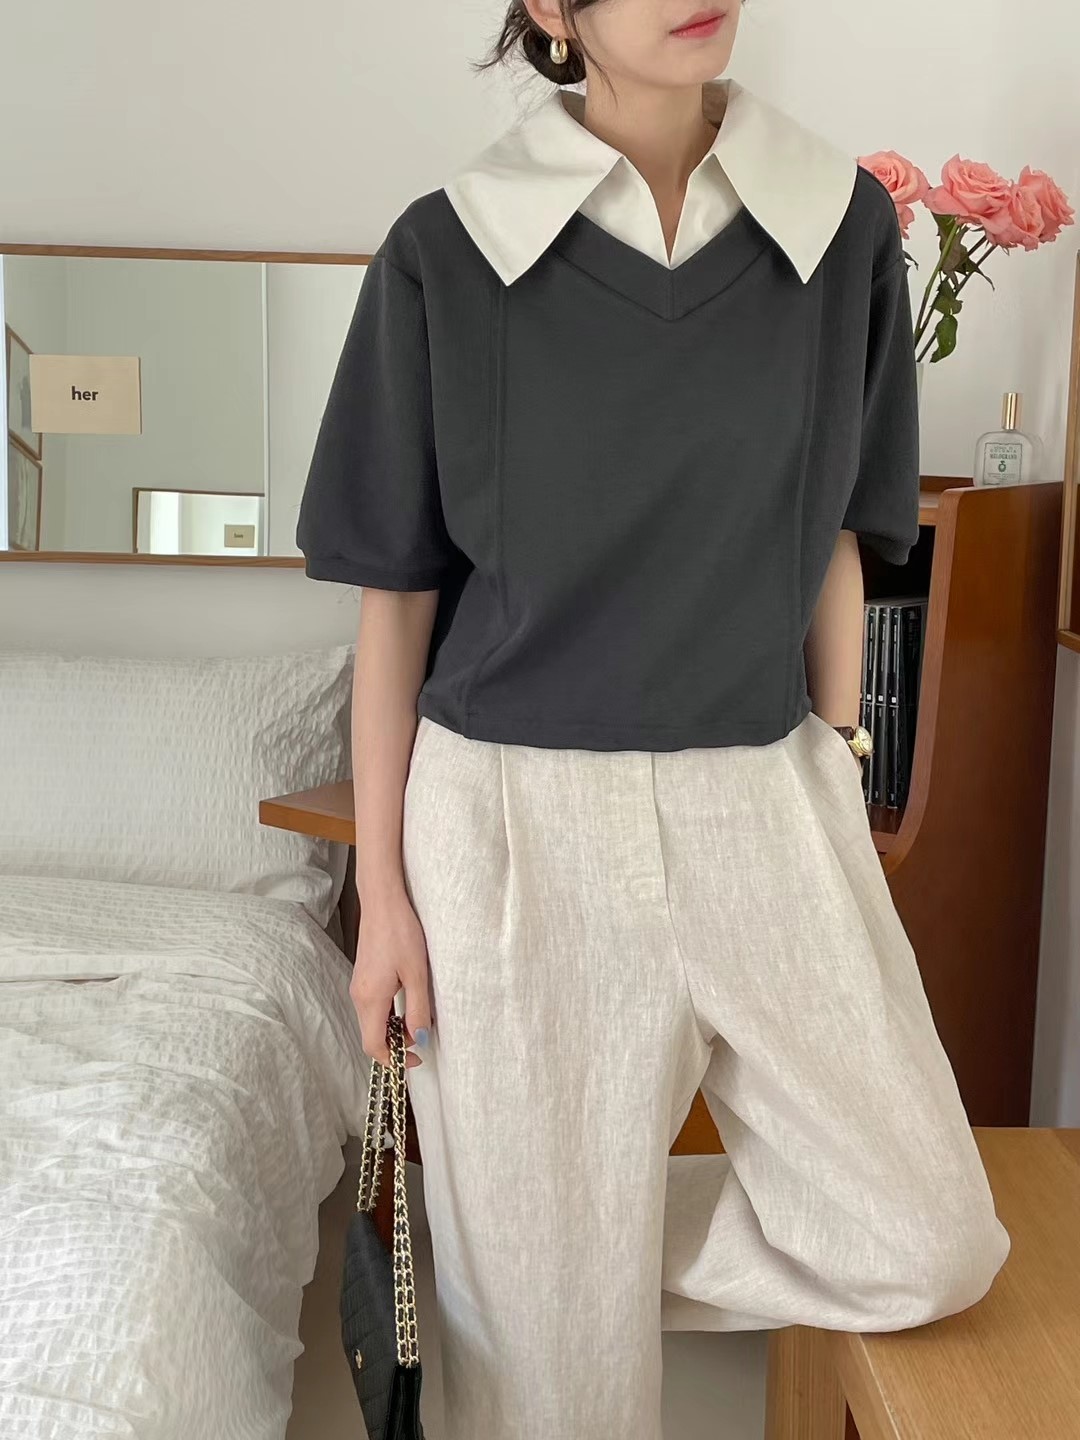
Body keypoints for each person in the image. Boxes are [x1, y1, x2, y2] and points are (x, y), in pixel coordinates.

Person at [295, 2, 1011, 1436]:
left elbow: (841, 540)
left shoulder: (841, 230)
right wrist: (385, 902)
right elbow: (397, 602)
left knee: (924, 1237)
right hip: (512, 818)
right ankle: (535, 1271)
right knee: (551, 1394)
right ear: (551, 10)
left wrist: (838, 768)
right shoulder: (450, 249)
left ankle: (550, 1261)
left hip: (765, 792)